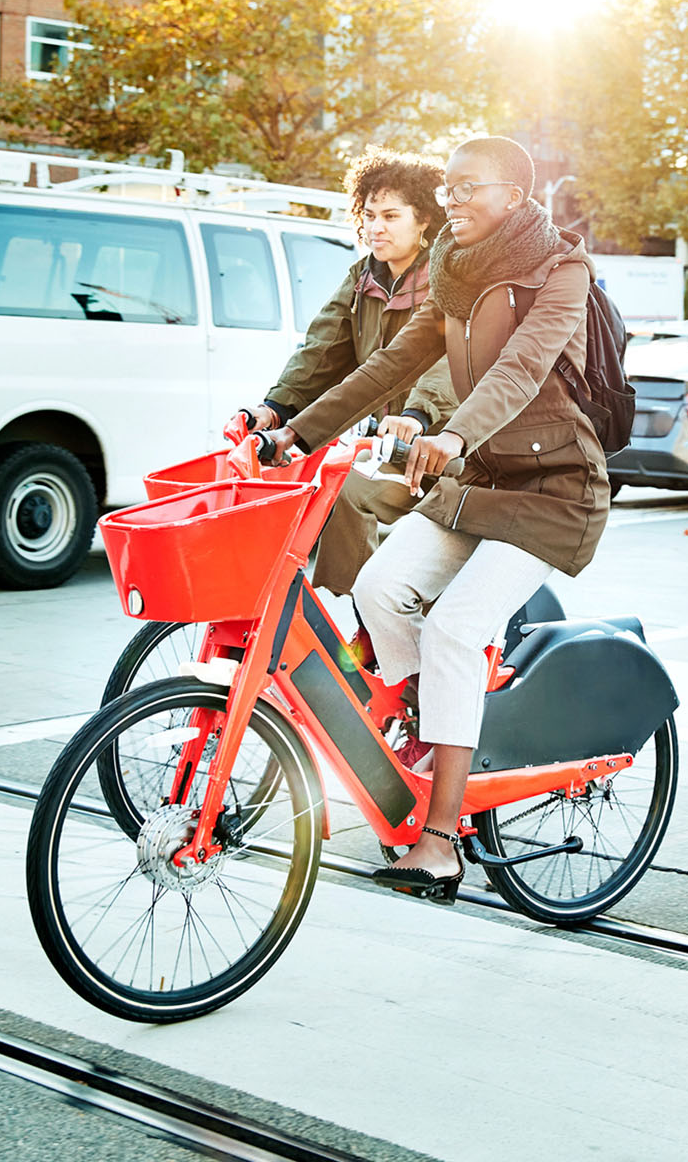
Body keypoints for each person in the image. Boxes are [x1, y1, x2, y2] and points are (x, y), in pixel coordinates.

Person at [267, 135, 609, 899]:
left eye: (467, 189)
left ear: (515, 198)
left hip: (555, 491)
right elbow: (389, 365)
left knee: (456, 627)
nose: (451, 200)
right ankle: (438, 735)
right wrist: (296, 427)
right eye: (447, 188)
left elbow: (522, 367)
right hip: (480, 479)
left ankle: (441, 840)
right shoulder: (454, 270)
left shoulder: (560, 271)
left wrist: (452, 432)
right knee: (381, 587)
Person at [231, 148, 456, 597]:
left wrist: (417, 415)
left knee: (352, 491)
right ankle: (349, 620)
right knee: (330, 489)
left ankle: (357, 623)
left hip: (446, 441)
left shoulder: (447, 277)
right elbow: (320, 352)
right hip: (389, 444)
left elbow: (449, 361)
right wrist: (274, 410)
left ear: (425, 220)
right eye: (369, 215)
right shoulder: (362, 279)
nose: (376, 227)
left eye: (391, 216)